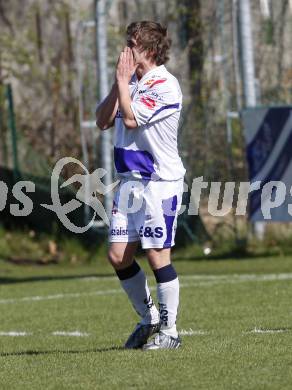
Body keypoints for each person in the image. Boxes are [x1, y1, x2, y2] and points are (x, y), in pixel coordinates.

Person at [96, 21, 185, 350]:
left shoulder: (165, 85)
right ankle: (148, 320)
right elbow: (103, 121)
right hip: (129, 184)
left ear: (148, 50)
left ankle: (170, 332)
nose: (125, 49)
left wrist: (124, 83)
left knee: (157, 254)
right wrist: (118, 84)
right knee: (118, 256)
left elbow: (132, 119)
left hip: (159, 183)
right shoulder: (128, 83)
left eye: (131, 43)